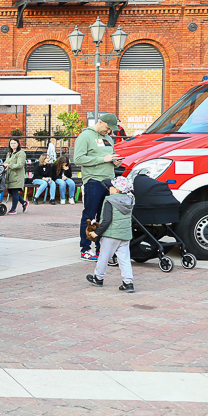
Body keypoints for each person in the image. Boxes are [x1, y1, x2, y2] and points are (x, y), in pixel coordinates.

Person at [74, 113, 124, 261]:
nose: (108, 131)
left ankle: (102, 248)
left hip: (108, 181)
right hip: (94, 181)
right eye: (107, 128)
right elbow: (78, 159)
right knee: (89, 216)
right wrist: (103, 159)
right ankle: (85, 248)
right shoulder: (85, 136)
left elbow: (110, 156)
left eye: (110, 130)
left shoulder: (108, 138)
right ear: (100, 122)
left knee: (104, 217)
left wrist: (115, 161)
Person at [86, 176, 136, 293]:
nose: (109, 188)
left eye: (112, 186)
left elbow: (106, 220)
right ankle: (128, 282)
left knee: (104, 257)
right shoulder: (129, 200)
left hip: (111, 235)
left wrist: (96, 233)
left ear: (117, 189)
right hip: (125, 234)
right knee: (124, 259)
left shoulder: (110, 200)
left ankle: (98, 278)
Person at [4, 138, 29, 214]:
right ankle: (24, 203)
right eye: (11, 143)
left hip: (17, 175)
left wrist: (9, 165)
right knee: (11, 191)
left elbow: (20, 164)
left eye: (14, 143)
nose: (13, 145)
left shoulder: (21, 153)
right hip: (10, 175)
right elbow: (6, 162)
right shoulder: (9, 153)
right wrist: (2, 164)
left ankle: (13, 209)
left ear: (18, 144)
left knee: (14, 191)